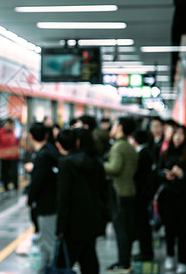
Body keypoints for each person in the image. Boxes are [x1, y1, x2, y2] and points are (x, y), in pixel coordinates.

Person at [55, 129, 106, 274]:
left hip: (73, 223)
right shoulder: (97, 162)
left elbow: (64, 199)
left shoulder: (67, 163)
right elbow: (103, 191)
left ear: (77, 142)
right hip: (93, 220)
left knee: (63, 264)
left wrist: (60, 228)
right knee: (89, 260)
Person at [157, 125, 186, 273]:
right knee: (169, 229)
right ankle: (169, 255)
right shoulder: (166, 153)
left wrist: (181, 174)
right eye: (175, 134)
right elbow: (158, 171)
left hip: (185, 199)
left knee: (184, 232)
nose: (177, 137)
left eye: (181, 135)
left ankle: (183, 261)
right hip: (168, 197)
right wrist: (165, 175)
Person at [104, 117, 138, 272]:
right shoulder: (129, 146)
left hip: (119, 191)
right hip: (130, 190)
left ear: (121, 128)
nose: (112, 127)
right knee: (127, 228)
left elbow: (115, 168)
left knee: (121, 230)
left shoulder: (118, 147)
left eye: (115, 124)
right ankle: (126, 260)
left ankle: (123, 262)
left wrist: (100, 165)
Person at [27, 123, 59, 273]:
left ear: (31, 136)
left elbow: (37, 182)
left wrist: (30, 200)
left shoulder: (42, 157)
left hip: (46, 204)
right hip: (53, 202)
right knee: (48, 239)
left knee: (47, 241)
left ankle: (49, 269)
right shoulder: (51, 151)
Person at [131, 129, 156, 262]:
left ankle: (146, 253)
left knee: (142, 224)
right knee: (142, 224)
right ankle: (144, 251)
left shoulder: (143, 154)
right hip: (144, 193)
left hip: (141, 194)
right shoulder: (147, 152)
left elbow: (137, 174)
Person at [0, 118, 20, 191]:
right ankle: (5, 186)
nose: (9, 126)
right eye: (7, 124)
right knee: (4, 171)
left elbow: (19, 141)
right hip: (4, 156)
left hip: (14, 155)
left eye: (10, 124)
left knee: (14, 172)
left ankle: (15, 185)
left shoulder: (15, 131)